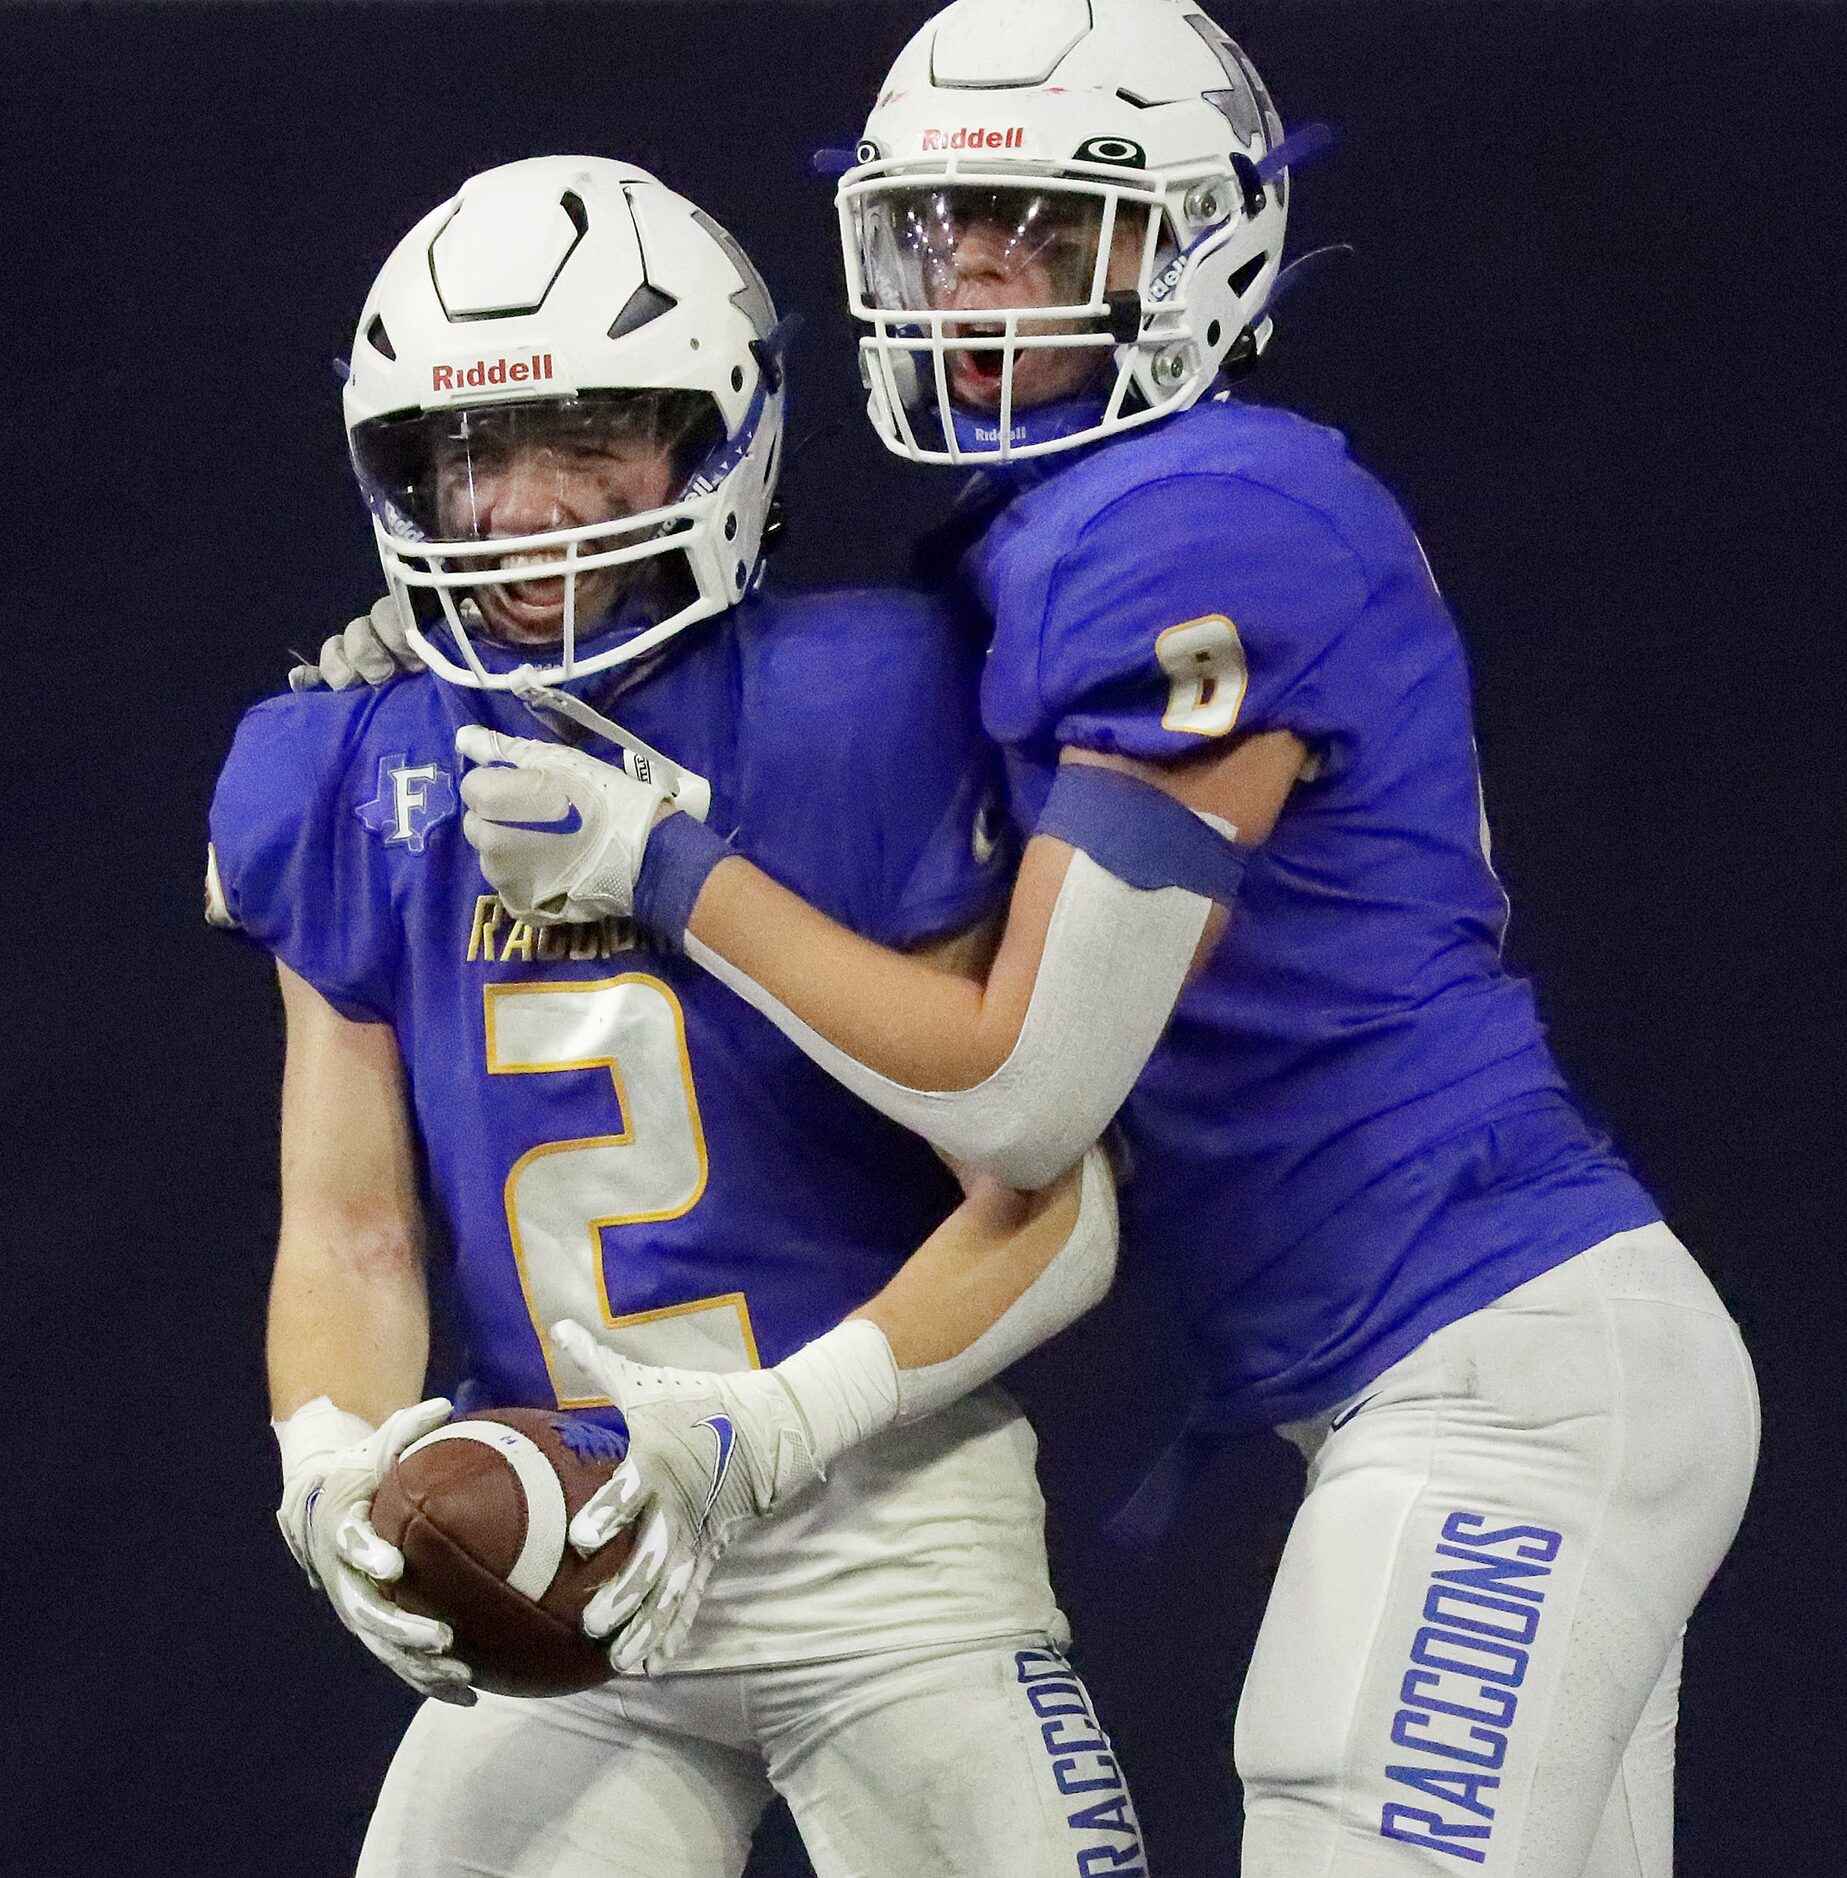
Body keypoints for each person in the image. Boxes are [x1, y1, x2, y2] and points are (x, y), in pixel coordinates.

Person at [440, 9, 1760, 1875]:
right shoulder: (1069, 530)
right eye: (950, 224)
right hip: (1484, 1363)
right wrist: (452, 689)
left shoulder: (1190, 519)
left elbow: (1026, 1095)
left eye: (1048, 230)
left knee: (1342, 1802)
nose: (978, 275)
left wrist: (668, 871)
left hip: (1502, 1360)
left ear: (1207, 247)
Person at [212, 154, 1147, 1878]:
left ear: (718, 434)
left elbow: (1050, 1189)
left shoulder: (870, 698)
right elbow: (347, 1230)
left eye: (588, 438)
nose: (516, 512)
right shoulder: (334, 769)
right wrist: (331, 1462)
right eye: (469, 452)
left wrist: (772, 1431)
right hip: (567, 1547)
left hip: (885, 1535)